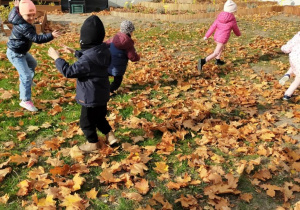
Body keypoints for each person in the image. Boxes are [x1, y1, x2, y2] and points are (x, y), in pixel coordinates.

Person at [47, 15, 119, 152]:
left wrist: (57, 58)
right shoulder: (103, 51)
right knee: (99, 118)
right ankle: (111, 136)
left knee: (86, 122)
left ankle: (93, 143)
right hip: (102, 95)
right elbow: (90, 60)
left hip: (89, 97)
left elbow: (69, 71)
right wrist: (75, 52)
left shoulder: (87, 60)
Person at [6, 0, 60, 112]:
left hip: (22, 51)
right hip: (15, 54)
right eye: (28, 15)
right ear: (21, 14)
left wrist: (16, 7)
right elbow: (37, 39)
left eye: (33, 15)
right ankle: (25, 100)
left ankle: (28, 80)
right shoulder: (24, 26)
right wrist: (51, 35)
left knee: (33, 63)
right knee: (25, 76)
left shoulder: (16, 16)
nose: (31, 17)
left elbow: (15, 12)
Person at [198, 0, 241, 72]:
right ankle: (203, 61)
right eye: (234, 11)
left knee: (222, 47)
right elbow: (235, 29)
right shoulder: (232, 20)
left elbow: (212, 27)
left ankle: (217, 60)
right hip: (222, 39)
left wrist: (206, 36)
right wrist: (238, 34)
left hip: (216, 37)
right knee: (216, 52)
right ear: (232, 11)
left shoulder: (219, 17)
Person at [105, 20, 140, 94]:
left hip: (108, 64)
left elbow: (106, 43)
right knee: (117, 81)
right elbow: (132, 57)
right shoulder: (128, 44)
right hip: (118, 68)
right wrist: (138, 57)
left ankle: (103, 87)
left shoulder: (115, 38)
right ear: (130, 32)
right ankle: (109, 91)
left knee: (105, 76)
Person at [279, 31, 300, 100]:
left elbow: (288, 47)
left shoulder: (298, 35)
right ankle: (288, 94)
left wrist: (283, 48)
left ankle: (287, 75)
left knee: (295, 67)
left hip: (294, 59)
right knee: (298, 79)